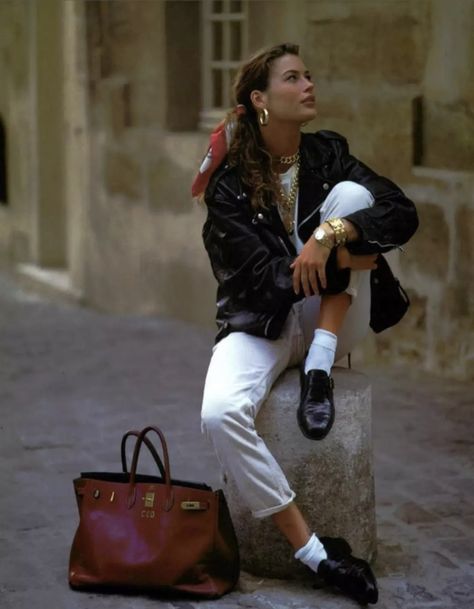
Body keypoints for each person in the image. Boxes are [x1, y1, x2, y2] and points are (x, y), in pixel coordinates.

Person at [192, 43, 418, 605]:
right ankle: (315, 552)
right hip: (261, 321)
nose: (309, 84)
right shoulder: (228, 185)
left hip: (332, 321)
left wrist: (327, 237)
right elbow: (259, 278)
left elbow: (400, 211)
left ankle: (320, 366)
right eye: (294, 78)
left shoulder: (327, 153)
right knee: (219, 414)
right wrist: (346, 256)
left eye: (309, 75)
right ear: (261, 100)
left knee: (353, 197)